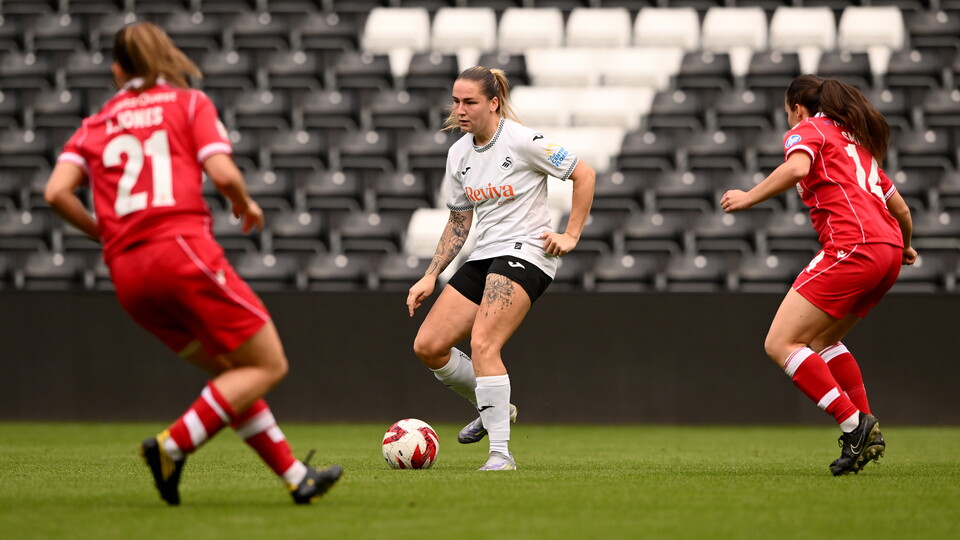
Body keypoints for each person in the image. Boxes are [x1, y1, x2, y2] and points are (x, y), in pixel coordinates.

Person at [43, 22, 342, 504]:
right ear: (165, 56)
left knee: (232, 374)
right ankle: (171, 446)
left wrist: (105, 232)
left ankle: (295, 478)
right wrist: (245, 202)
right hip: (180, 253)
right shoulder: (188, 103)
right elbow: (222, 172)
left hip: (128, 274)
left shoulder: (97, 122)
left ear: (117, 70)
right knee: (268, 364)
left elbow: (55, 192)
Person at [720, 74, 916, 476]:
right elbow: (902, 210)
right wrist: (907, 246)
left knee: (780, 343)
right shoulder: (856, 144)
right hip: (889, 251)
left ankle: (853, 425)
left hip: (854, 246)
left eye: (787, 110)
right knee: (824, 340)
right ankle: (867, 426)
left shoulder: (807, 129)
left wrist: (747, 197)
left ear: (796, 106)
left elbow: (796, 169)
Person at [406, 66, 596, 471]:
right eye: (456, 101)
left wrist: (571, 235)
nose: (460, 110)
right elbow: (460, 221)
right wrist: (429, 274)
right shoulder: (458, 154)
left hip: (527, 252)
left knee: (483, 345)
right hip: (484, 254)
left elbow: (584, 173)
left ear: (493, 103)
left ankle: (500, 454)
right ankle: (493, 405)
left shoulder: (522, 140)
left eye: (469, 102)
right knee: (429, 346)